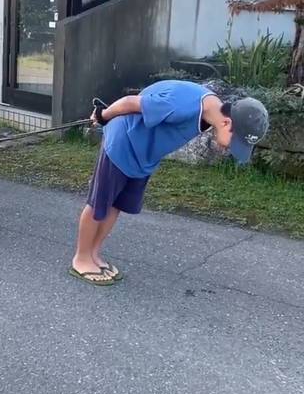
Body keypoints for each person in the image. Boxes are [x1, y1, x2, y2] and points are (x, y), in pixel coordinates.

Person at [70, 80, 269, 286]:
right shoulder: (184, 106)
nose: (231, 149)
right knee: (99, 203)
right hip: (123, 143)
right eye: (236, 142)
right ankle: (82, 258)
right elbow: (131, 102)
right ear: (227, 123)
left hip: (143, 154)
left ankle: (94, 254)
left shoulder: (211, 109)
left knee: (115, 204)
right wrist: (103, 116)